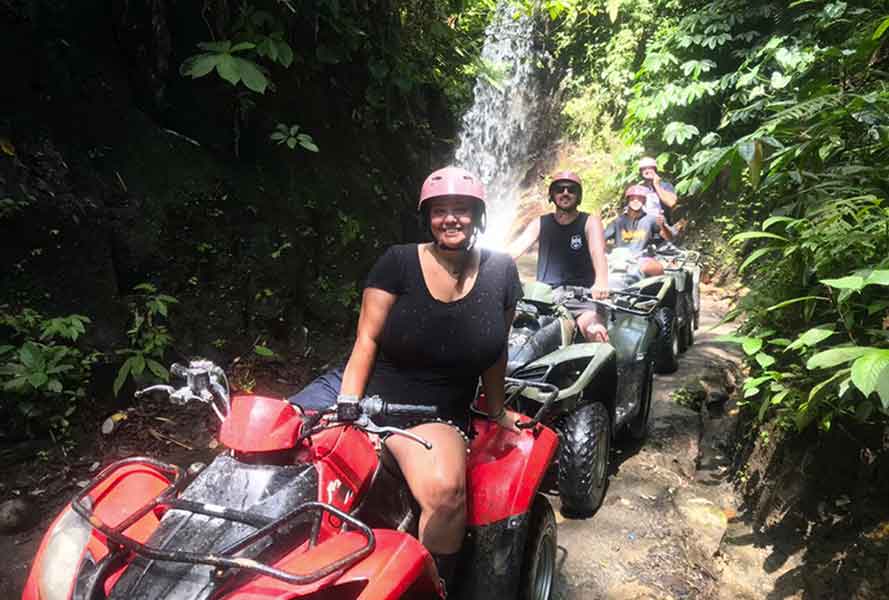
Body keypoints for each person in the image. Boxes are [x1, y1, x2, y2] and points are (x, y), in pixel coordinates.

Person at [289, 166, 522, 592]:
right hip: (368, 390)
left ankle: (434, 585)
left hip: (433, 411)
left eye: (462, 210)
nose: (450, 219)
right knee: (278, 446)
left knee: (445, 493)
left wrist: (496, 409)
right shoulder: (397, 262)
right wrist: (347, 406)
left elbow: (495, 349)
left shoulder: (502, 271)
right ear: (427, 217)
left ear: (478, 215)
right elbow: (367, 339)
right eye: (440, 211)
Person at [507, 171, 610, 343]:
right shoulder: (541, 222)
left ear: (578, 196)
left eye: (571, 190)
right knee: (505, 330)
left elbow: (597, 252)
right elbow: (514, 250)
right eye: (560, 189)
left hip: (581, 299)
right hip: (542, 298)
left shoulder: (590, 221)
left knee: (597, 334)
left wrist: (601, 281)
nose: (565, 193)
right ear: (552, 195)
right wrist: (486, 266)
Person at [604, 185, 672, 277]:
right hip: (621, 260)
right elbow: (600, 240)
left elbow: (669, 238)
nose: (636, 201)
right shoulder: (617, 222)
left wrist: (662, 225)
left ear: (644, 201)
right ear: (628, 201)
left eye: (640, 199)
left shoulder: (651, 219)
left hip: (643, 259)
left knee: (650, 267)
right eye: (632, 199)